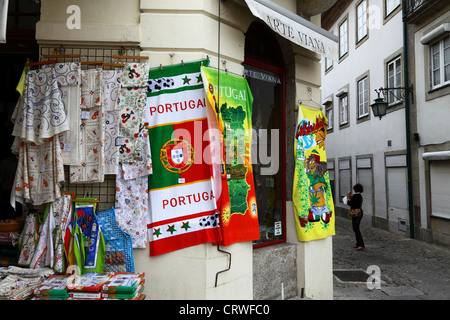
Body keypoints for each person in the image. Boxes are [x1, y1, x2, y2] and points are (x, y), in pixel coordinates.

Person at [343, 183, 364, 250]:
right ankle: (358, 243)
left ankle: (361, 244)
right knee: (356, 228)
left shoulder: (355, 196)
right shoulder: (360, 196)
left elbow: (350, 203)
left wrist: (348, 198)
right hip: (359, 212)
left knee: (356, 229)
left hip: (356, 213)